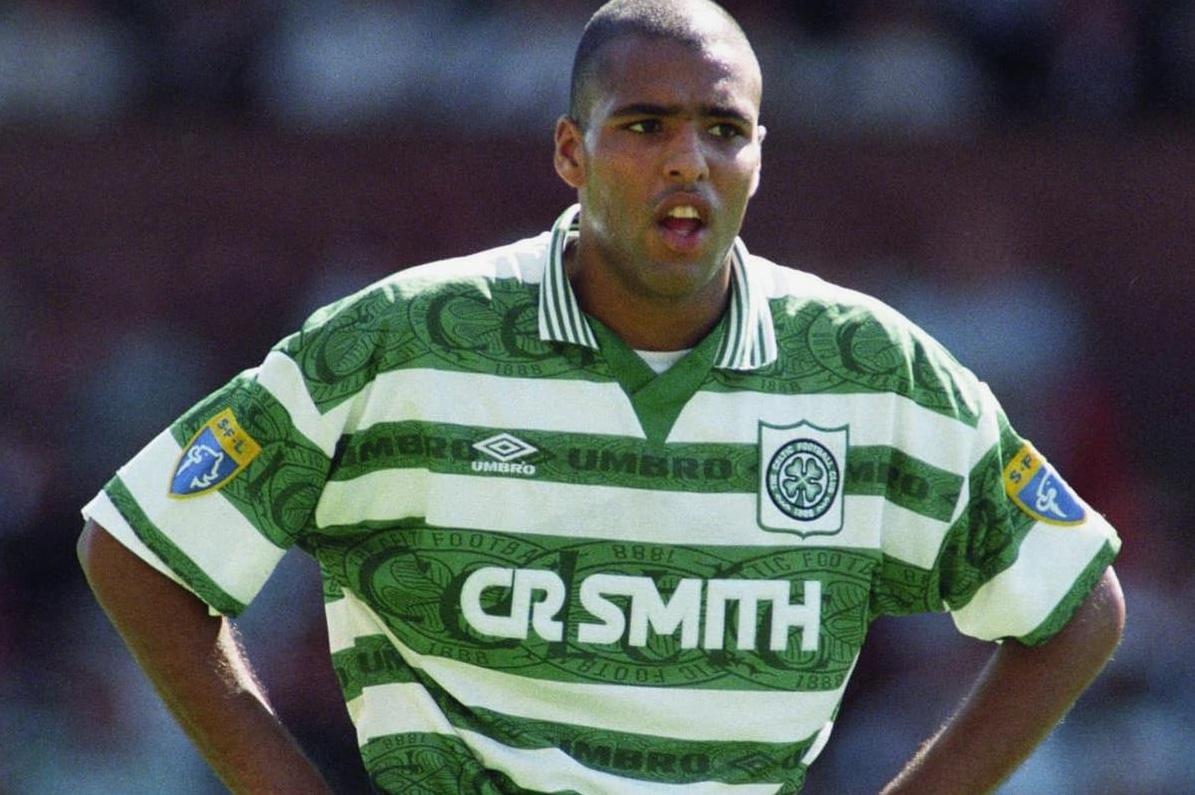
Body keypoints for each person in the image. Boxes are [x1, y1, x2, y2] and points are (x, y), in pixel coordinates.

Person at [77, 1, 1125, 792]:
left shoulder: (869, 369)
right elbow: (134, 547)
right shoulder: (399, 341)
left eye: (724, 129)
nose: (688, 159)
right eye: (644, 125)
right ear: (570, 151)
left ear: (760, 156)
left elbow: (1076, 607)